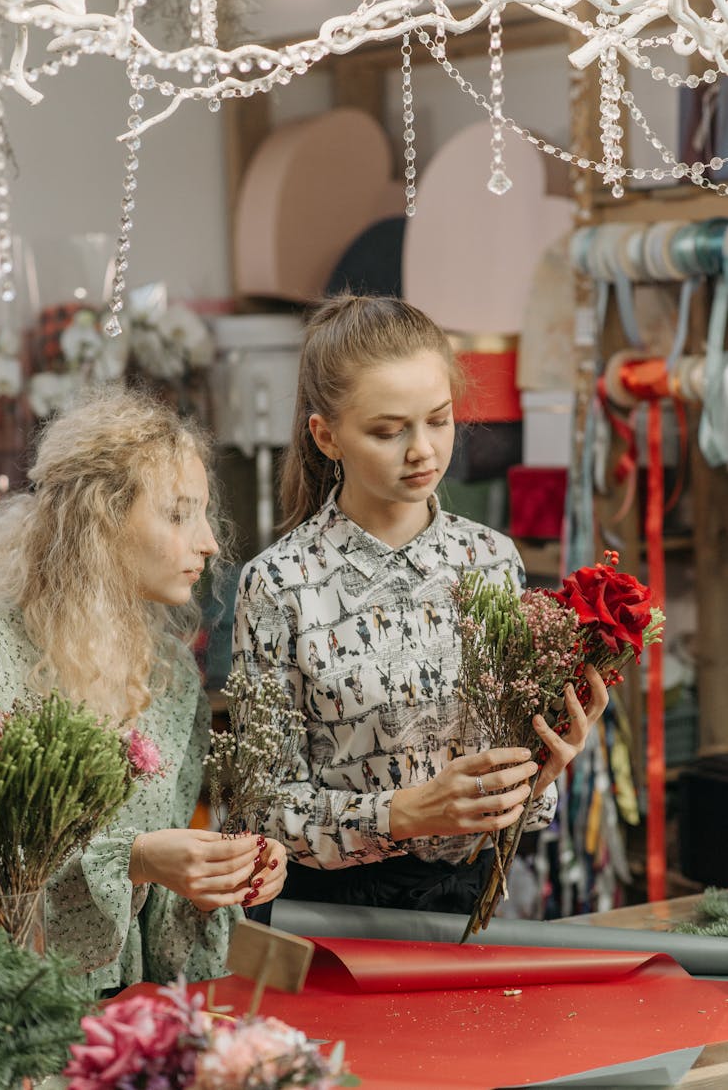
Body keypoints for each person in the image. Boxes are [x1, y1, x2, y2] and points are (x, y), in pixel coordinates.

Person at [231, 294, 607, 913]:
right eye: (388, 430)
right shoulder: (280, 583)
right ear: (326, 436)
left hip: (474, 904)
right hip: (330, 913)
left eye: (439, 419)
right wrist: (404, 814)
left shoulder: (492, 561)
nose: (423, 450)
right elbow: (260, 808)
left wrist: (539, 773)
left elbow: (513, 791)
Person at [0, 385, 287, 991]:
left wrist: (216, 877)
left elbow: (155, 924)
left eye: (203, 513)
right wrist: (136, 857)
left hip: (119, 1013)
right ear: (100, 517)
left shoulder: (170, 677)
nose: (210, 542)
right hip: (6, 1013)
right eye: (178, 514)